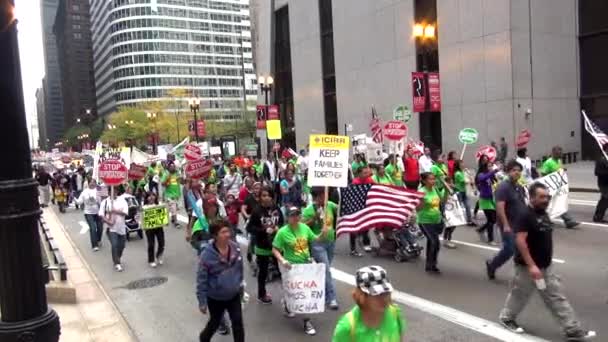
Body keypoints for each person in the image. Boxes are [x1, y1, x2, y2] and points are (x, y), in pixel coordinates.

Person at [498, 183, 597, 341]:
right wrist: (531, 266)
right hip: (527, 268)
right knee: (520, 295)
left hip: (546, 267)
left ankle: (572, 329)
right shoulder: (525, 215)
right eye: (542, 197)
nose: (546, 200)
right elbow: (520, 241)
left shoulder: (543, 212)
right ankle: (506, 317)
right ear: (531, 197)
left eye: (547, 197)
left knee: (556, 297)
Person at [272, 206, 330, 336]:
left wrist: (323, 233)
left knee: (305, 294)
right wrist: (283, 261)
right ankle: (289, 304)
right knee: (294, 291)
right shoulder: (282, 232)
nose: (296, 217)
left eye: (298, 214)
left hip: (305, 266)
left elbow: (315, 239)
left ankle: (306, 320)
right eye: (293, 215)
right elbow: (275, 249)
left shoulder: (305, 228)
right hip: (291, 267)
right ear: (288, 217)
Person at [196, 220, 245, 342]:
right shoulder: (207, 255)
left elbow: (240, 268)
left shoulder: (235, 247)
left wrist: (241, 286)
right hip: (216, 298)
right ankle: (204, 338)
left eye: (228, 231)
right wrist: (202, 301)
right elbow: (201, 280)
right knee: (215, 323)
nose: (227, 234)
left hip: (233, 295)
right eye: (223, 232)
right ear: (215, 235)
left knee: (238, 322)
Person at [332, 266, 406, 341]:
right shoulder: (347, 328)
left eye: (386, 293)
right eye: (377, 295)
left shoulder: (395, 313)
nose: (384, 299)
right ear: (361, 295)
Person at [486, 160, 527, 280]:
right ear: (508, 171)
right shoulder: (503, 187)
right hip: (508, 224)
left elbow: (522, 204)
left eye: (519, 171)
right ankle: (492, 265)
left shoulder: (519, 187)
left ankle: (521, 273)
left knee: (522, 248)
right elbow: (500, 207)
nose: (517, 173)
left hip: (519, 224)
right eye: (514, 170)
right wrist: (505, 225)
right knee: (509, 249)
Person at [302, 187, 339, 310]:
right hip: (318, 244)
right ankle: (331, 298)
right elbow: (301, 226)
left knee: (325, 270)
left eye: (326, 194)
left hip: (331, 241)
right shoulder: (309, 210)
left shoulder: (330, 205)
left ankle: (320, 289)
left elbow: (340, 209)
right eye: (323, 195)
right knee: (326, 269)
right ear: (316, 197)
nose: (325, 197)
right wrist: (314, 219)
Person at [247, 186, 283, 304]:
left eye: (268, 195)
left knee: (282, 271)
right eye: (263, 195)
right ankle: (261, 294)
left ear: (272, 197)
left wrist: (279, 228)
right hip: (262, 246)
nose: (266, 198)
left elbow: (283, 223)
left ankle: (289, 295)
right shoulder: (257, 211)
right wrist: (263, 230)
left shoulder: (277, 209)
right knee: (262, 272)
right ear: (260, 198)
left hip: (277, 246)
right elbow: (250, 228)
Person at [540, 146, 579, 228]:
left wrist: (562, 171)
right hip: (550, 187)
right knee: (549, 204)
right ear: (554, 153)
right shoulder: (548, 162)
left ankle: (567, 221)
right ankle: (567, 220)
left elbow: (559, 170)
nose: (561, 155)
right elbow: (543, 174)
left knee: (558, 203)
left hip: (558, 186)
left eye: (561, 153)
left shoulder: (559, 161)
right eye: (559, 153)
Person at [417, 172, 446, 274]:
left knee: (431, 242)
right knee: (435, 242)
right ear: (424, 181)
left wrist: (446, 190)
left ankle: (430, 265)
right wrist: (422, 202)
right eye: (430, 179)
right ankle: (431, 264)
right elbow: (418, 209)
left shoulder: (435, 189)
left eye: (434, 179)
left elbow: (442, 201)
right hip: (425, 221)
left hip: (436, 219)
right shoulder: (421, 191)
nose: (433, 181)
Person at [99, 186, 129, 272]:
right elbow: (101, 214)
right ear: (109, 192)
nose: (113, 193)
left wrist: (115, 211)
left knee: (122, 246)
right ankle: (117, 263)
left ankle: (117, 257)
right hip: (111, 228)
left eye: (115, 191)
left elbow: (125, 213)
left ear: (117, 191)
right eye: (112, 191)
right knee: (114, 245)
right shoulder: (105, 202)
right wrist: (108, 221)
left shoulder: (122, 200)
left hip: (121, 228)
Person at [350, 166, 373, 255]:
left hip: (366, 206)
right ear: (359, 174)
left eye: (367, 173)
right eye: (364, 173)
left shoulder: (370, 181)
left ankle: (366, 243)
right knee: (353, 228)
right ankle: (353, 248)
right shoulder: (355, 182)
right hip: (356, 207)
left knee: (366, 226)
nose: (367, 175)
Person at [475, 155, 498, 244]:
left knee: (493, 219)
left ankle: (482, 229)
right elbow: (482, 178)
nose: (491, 167)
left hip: (492, 199)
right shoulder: (481, 175)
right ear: (485, 167)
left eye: (491, 166)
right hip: (485, 200)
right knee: (491, 219)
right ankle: (490, 239)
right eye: (489, 166)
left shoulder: (491, 176)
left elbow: (496, 183)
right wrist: (494, 171)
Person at [77, 179, 102, 251]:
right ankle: (94, 245)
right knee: (93, 228)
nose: (92, 184)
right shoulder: (85, 192)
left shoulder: (99, 189)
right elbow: (79, 202)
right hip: (88, 213)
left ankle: (98, 239)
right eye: (91, 183)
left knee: (100, 228)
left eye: (94, 182)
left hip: (98, 212)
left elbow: (104, 198)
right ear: (88, 183)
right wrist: (75, 200)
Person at [143, 192, 165, 268]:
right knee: (151, 244)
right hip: (149, 228)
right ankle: (151, 260)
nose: (151, 197)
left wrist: (165, 221)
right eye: (149, 196)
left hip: (159, 227)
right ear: (146, 198)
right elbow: (142, 218)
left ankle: (159, 255)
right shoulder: (144, 207)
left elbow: (164, 214)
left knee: (162, 243)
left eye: (153, 195)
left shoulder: (159, 205)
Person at [453, 160, 474, 226]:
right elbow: (465, 181)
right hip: (459, 192)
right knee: (458, 206)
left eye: (463, 163)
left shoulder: (462, 172)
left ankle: (469, 220)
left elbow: (469, 179)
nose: (463, 165)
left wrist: (468, 173)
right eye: (461, 164)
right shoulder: (458, 173)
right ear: (458, 165)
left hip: (464, 191)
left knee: (468, 206)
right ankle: (456, 219)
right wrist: (470, 177)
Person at [161, 163, 182, 229]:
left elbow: (181, 181)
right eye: (171, 167)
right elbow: (162, 183)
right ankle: (176, 222)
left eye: (174, 166)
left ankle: (173, 218)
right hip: (170, 195)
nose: (173, 168)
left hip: (177, 195)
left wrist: (181, 178)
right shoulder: (166, 174)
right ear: (169, 168)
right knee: (174, 209)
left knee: (176, 208)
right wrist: (167, 181)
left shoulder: (177, 173)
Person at [593, 144, 608, 223]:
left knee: (604, 200)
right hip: (604, 184)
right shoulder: (601, 159)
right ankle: (598, 217)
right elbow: (597, 172)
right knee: (605, 200)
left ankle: (598, 216)